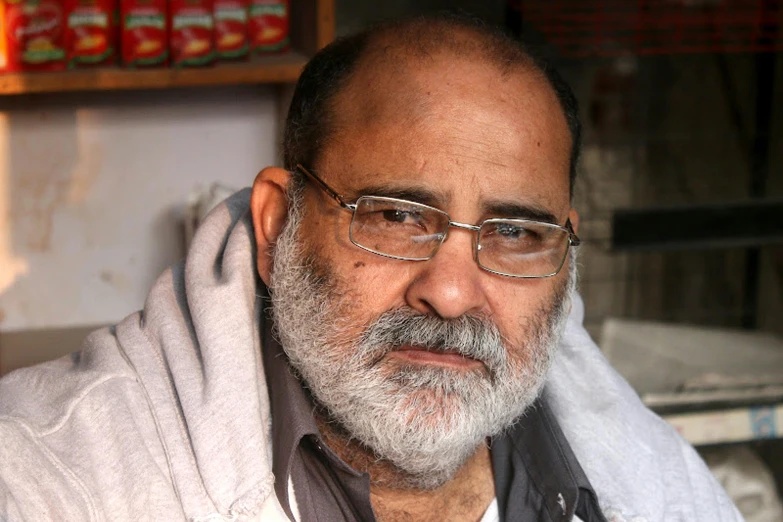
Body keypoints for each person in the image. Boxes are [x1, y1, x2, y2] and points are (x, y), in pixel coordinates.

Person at [0, 14, 743, 522]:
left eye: (515, 231)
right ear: (276, 224)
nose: (451, 294)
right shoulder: (49, 478)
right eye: (394, 215)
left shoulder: (648, 475)